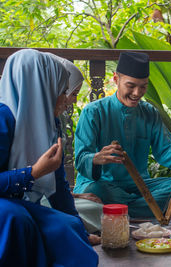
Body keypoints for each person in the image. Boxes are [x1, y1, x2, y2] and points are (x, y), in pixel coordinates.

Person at [73, 51, 171, 219]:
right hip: (104, 184)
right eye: (131, 85)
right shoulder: (93, 112)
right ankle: (151, 208)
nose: (137, 93)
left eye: (143, 86)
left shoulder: (150, 113)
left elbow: (165, 151)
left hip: (138, 185)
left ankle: (121, 210)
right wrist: (96, 158)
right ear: (116, 79)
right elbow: (81, 158)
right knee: (94, 190)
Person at [0, 49, 98, 266]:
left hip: (18, 204)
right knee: (16, 218)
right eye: (63, 90)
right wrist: (32, 173)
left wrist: (79, 230)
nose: (67, 99)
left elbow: (59, 186)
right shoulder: (3, 118)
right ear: (41, 87)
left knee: (68, 228)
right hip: (8, 209)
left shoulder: (49, 125)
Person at [43, 53, 104, 236]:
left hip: (55, 196)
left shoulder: (54, 123)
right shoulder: (11, 119)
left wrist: (75, 195)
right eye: (70, 93)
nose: (74, 101)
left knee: (98, 209)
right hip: (33, 199)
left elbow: (58, 181)